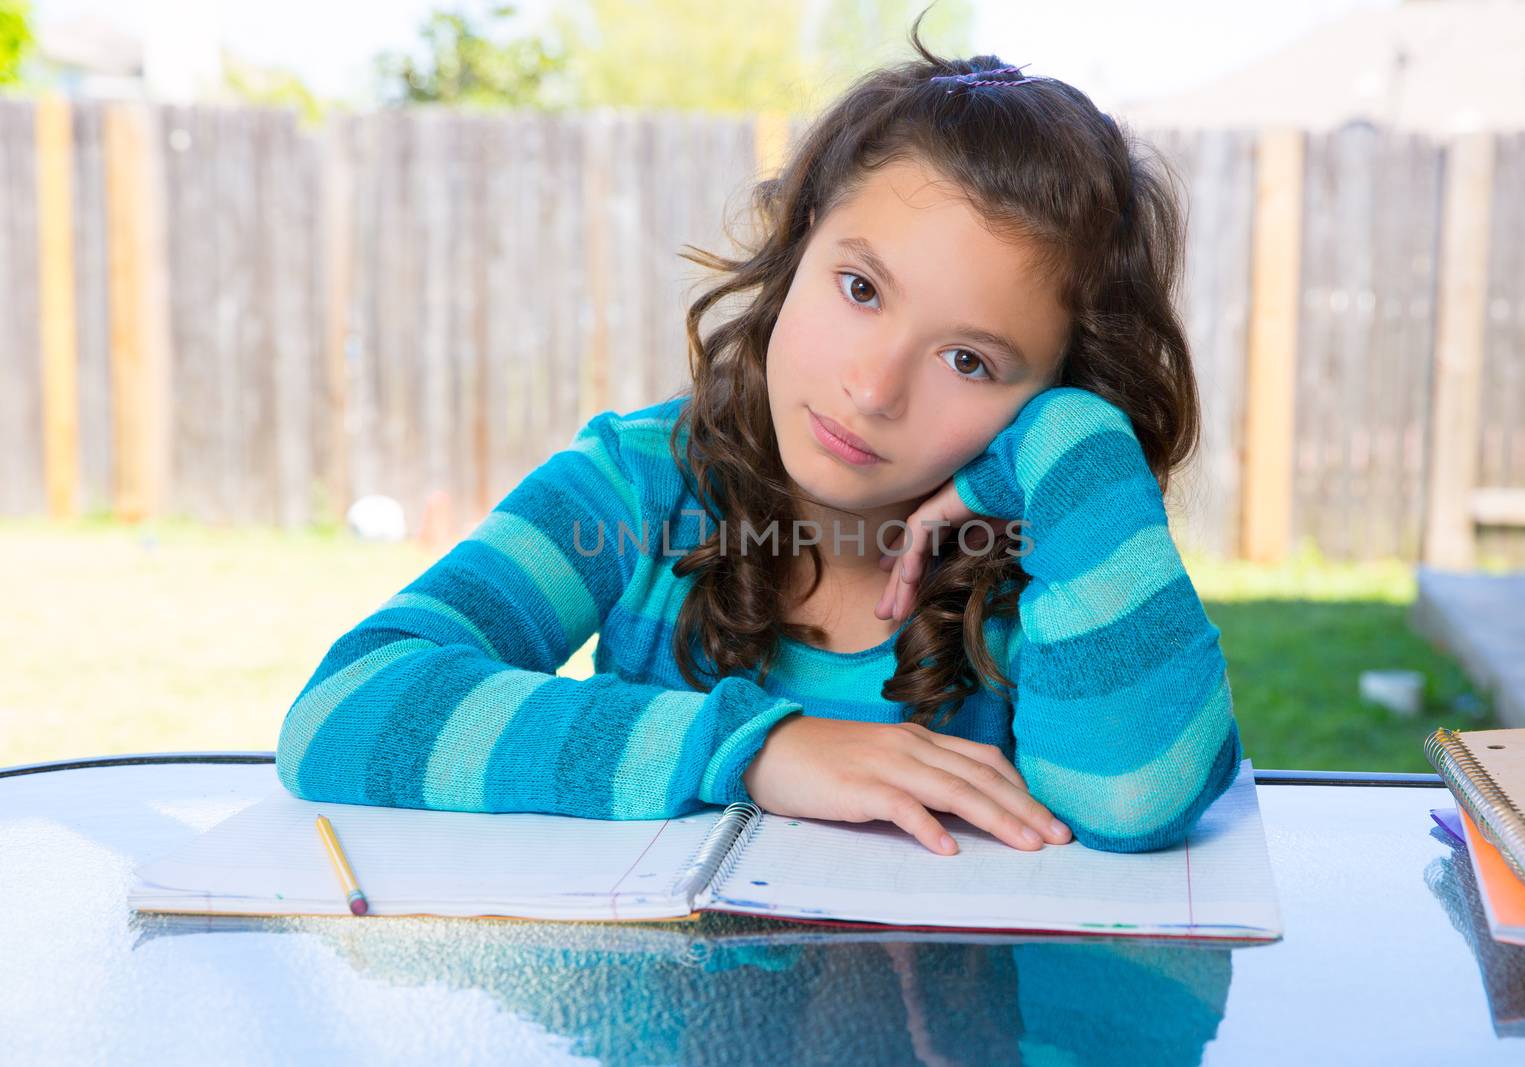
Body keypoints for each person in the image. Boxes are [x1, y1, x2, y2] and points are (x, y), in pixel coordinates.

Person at [274, 13, 1244, 856]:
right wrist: (754, 747)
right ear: (800, 239)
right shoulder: (638, 482)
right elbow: (347, 706)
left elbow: (1135, 797)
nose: (870, 390)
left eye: (970, 360)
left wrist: (1073, 439)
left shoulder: (1053, 557)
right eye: (860, 288)